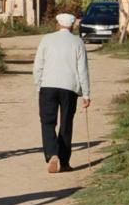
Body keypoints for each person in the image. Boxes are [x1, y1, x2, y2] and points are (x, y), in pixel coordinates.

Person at [31, 11, 91, 173]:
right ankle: (64, 162)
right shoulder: (78, 42)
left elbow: (38, 66)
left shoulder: (47, 39)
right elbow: (82, 70)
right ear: (72, 26)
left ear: (57, 24)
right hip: (69, 88)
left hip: (48, 86)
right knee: (66, 123)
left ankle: (52, 154)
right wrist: (86, 94)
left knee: (47, 122)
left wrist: (39, 85)